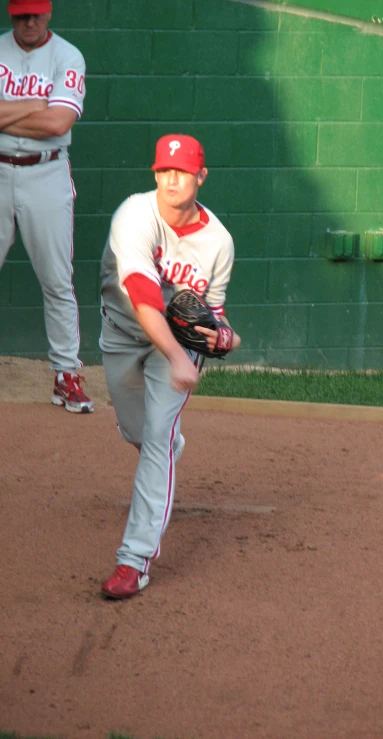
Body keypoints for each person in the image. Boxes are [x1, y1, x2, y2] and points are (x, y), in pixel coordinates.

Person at [99, 133, 241, 599]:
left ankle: (134, 560)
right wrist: (182, 358)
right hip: (123, 333)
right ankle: (165, 444)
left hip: (174, 347)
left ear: (202, 176)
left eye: (182, 171)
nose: (172, 178)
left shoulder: (219, 242)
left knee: (156, 440)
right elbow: (141, 294)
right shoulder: (133, 215)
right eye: (164, 170)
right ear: (155, 174)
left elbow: (211, 313)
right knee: (135, 431)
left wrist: (222, 336)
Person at [0, 0, 93, 412]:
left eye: (36, 12)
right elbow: (47, 113)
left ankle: (66, 375)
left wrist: (8, 114)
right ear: (11, 14)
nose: (30, 21)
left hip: (47, 173)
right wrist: (37, 105)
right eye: (22, 14)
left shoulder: (67, 56)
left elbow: (59, 123)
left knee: (57, 280)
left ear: (49, 12)